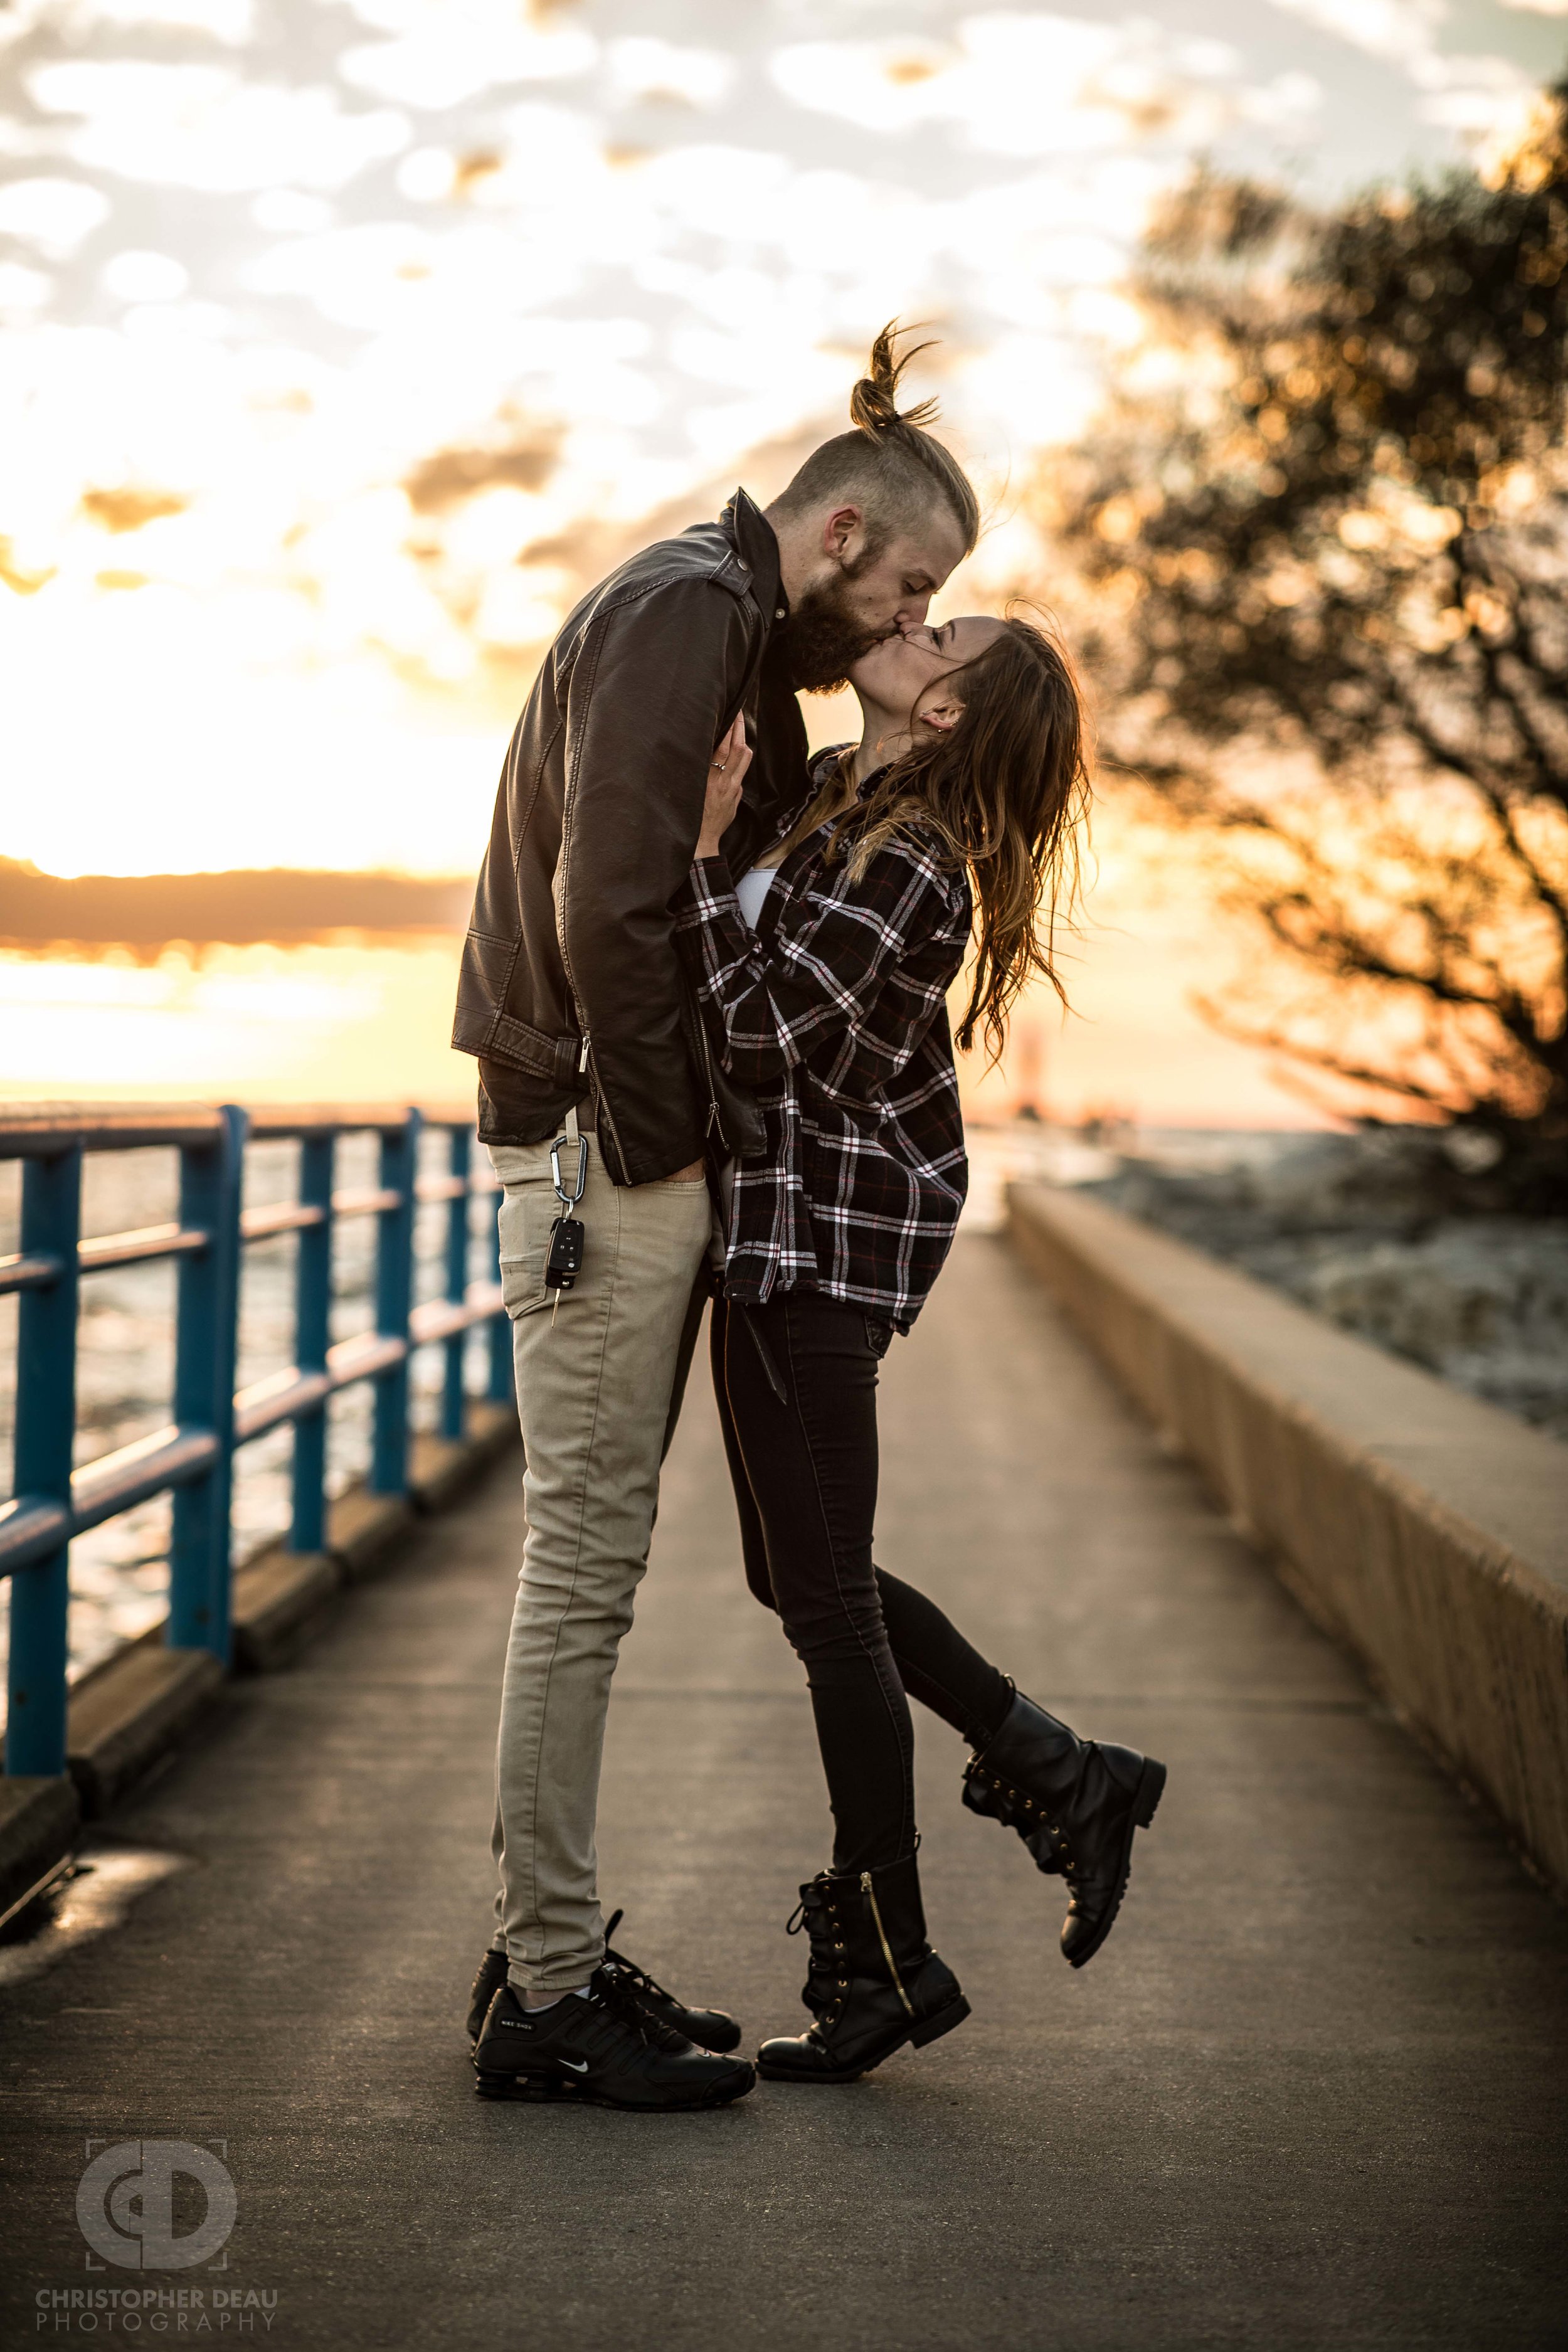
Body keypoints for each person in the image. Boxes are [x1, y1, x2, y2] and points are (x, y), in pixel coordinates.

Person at [463, 330, 982, 2111]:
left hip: (607, 1138)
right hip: (602, 1145)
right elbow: (612, 901)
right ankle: (542, 1989)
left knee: (588, 1565)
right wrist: (669, 1152)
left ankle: (539, 1940)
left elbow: (710, 900)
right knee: (586, 1567)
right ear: (841, 534)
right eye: (912, 584)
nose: (910, 616)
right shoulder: (690, 610)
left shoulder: (729, 633)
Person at [677, 610, 1168, 2086]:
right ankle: (1063, 1771)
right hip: (772, 1240)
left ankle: (889, 1961)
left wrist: (705, 859)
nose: (907, 624)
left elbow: (770, 1045)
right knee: (796, 1574)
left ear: (950, 711)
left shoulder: (907, 866)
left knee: (824, 1605)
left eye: (936, 629)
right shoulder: (831, 788)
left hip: (812, 1252)